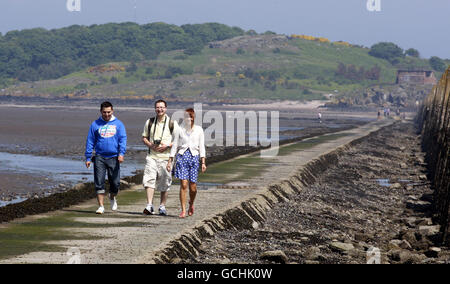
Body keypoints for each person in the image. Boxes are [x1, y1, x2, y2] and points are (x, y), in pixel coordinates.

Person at [85, 101, 127, 214]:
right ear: (101, 111)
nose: (107, 114)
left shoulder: (119, 124)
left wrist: (121, 154)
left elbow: (122, 140)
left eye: (109, 112)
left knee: (115, 183)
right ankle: (101, 206)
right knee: (99, 181)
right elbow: (90, 141)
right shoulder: (95, 124)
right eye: (104, 112)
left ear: (112, 111)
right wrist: (88, 157)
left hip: (114, 157)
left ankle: (112, 197)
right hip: (99, 157)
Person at [167, 108, 206, 218]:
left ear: (193, 118)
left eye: (190, 116)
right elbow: (175, 145)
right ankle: (183, 210)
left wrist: (203, 162)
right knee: (184, 185)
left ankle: (191, 203)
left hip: (194, 158)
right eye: (186, 116)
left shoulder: (199, 130)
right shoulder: (180, 129)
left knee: (193, 187)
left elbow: (202, 146)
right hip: (182, 157)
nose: (188, 118)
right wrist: (170, 161)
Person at [142, 99, 178, 216]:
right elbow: (144, 137)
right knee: (149, 179)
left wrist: (167, 145)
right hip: (152, 156)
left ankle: (162, 206)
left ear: (166, 108)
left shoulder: (172, 123)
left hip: (166, 157)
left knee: (165, 182)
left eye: (162, 107)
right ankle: (149, 205)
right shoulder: (150, 122)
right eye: (157, 107)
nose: (160, 109)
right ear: (155, 109)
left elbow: (179, 140)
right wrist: (151, 145)